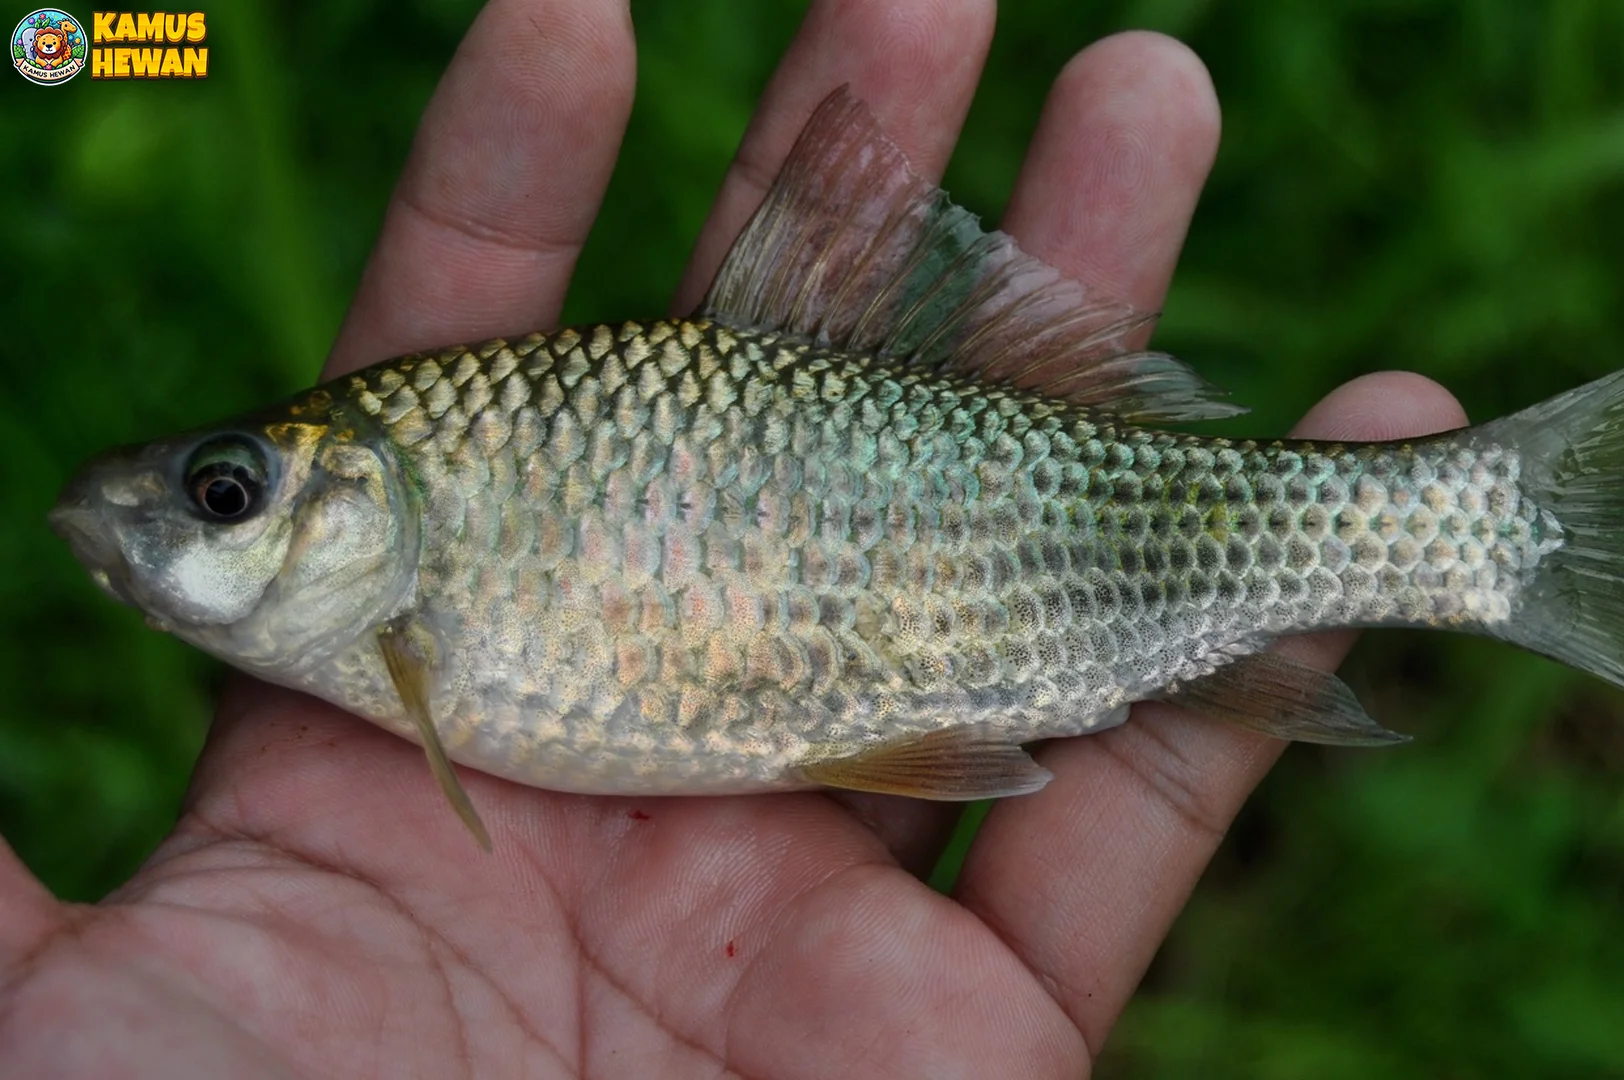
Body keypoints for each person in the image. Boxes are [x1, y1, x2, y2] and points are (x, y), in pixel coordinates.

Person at [0, 0, 1462, 1073]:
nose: (172, 520)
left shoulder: (411, 624)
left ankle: (1482, 535)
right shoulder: (388, 637)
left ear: (360, 505)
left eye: (225, 493)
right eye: (221, 493)